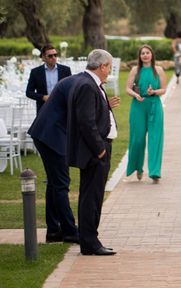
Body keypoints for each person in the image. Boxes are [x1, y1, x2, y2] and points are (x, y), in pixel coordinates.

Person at [66, 49, 119, 256]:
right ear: (102, 66)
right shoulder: (88, 85)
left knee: (93, 196)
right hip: (95, 152)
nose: (109, 72)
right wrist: (100, 151)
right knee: (91, 197)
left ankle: (90, 239)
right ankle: (89, 242)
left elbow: (94, 115)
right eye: (109, 67)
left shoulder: (91, 83)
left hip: (98, 149)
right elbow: (86, 123)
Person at [28, 74, 81, 244]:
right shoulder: (82, 84)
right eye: (108, 68)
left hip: (46, 133)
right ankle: (70, 231)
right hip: (51, 136)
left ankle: (53, 231)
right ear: (101, 67)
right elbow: (80, 114)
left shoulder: (77, 80)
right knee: (61, 184)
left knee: (54, 183)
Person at [126, 45, 166, 184]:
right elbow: (127, 88)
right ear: (140, 56)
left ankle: (155, 172)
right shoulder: (135, 70)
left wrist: (154, 92)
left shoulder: (159, 70)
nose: (145, 55)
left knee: (155, 139)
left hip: (155, 106)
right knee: (137, 139)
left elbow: (163, 89)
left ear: (151, 54)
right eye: (142, 53)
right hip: (138, 106)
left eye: (147, 53)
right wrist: (136, 94)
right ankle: (138, 168)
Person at [26, 44, 72, 113]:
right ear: (43, 58)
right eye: (50, 56)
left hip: (62, 109)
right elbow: (29, 92)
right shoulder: (35, 72)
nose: (53, 57)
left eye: (55, 55)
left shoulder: (65, 70)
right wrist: (43, 97)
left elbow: (71, 89)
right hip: (43, 109)